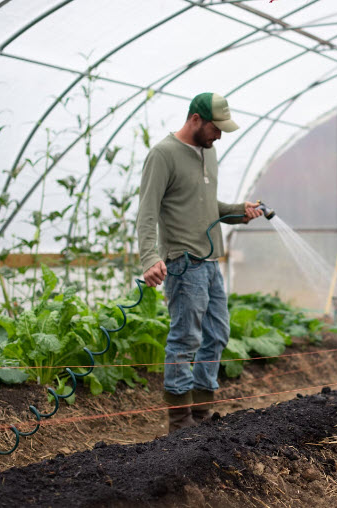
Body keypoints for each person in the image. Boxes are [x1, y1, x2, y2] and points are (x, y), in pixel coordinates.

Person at [136, 92, 263, 433]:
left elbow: (207, 207)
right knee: (185, 339)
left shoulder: (210, 152)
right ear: (195, 119)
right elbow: (147, 212)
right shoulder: (163, 155)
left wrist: (240, 211)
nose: (219, 135)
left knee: (218, 333)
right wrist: (150, 257)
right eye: (215, 128)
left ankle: (202, 416)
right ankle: (180, 422)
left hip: (210, 263)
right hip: (183, 263)